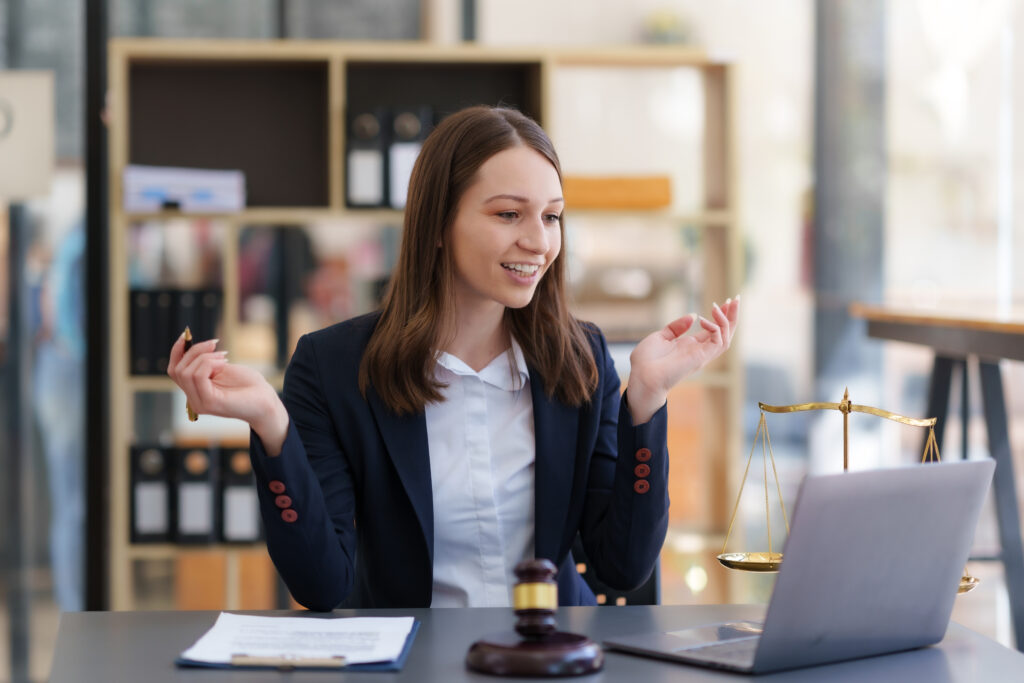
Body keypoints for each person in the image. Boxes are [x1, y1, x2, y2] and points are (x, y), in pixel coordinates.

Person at [168, 106, 739, 610]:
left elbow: (623, 568)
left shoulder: (578, 358)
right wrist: (272, 426)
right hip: (413, 664)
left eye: (551, 215)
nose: (538, 241)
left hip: (549, 657)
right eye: (508, 215)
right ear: (438, 224)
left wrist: (647, 397)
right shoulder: (333, 368)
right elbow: (321, 585)